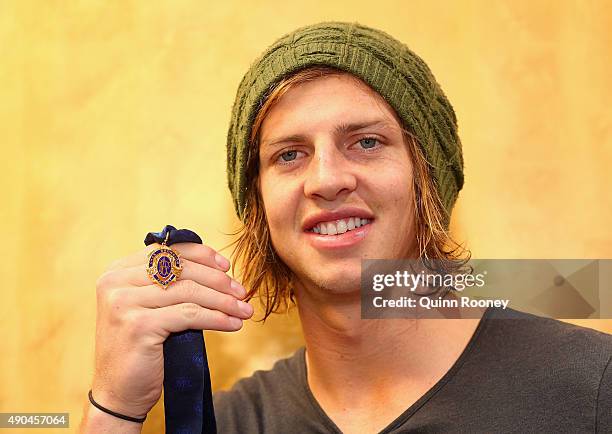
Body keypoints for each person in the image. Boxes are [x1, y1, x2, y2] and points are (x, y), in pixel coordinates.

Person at [80, 22, 611, 433]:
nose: (327, 179)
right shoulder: (234, 422)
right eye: (289, 154)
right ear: (259, 205)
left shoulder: (591, 388)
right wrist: (115, 409)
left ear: (429, 177)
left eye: (366, 142)